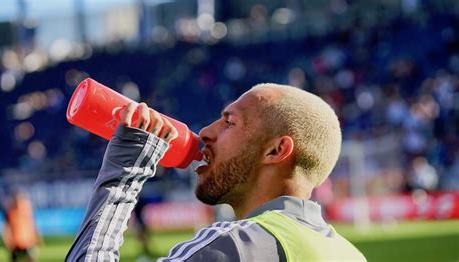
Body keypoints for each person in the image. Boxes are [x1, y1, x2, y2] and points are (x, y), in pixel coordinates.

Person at [66, 83, 366, 261]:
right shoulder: (349, 254)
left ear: (275, 151)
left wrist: (123, 172)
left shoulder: (236, 244)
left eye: (229, 122)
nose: (206, 132)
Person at [1, 189, 41, 262]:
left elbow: (32, 225)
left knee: (30, 258)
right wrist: (7, 239)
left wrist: (37, 235)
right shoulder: (10, 212)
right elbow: (5, 228)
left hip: (28, 241)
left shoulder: (26, 210)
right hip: (16, 242)